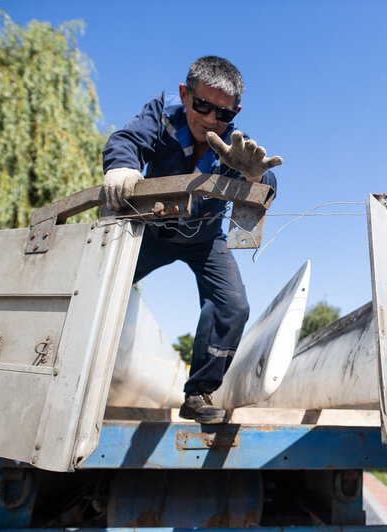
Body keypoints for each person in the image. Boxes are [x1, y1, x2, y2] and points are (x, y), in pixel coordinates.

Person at [102, 56, 282, 424]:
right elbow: (127, 140)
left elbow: (268, 187)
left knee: (233, 306)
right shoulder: (161, 115)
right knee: (100, 285)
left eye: (224, 114)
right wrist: (121, 165)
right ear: (185, 95)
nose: (211, 120)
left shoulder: (236, 146)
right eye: (202, 106)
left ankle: (198, 393)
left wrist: (255, 178)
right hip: (152, 230)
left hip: (204, 239)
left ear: (236, 112)